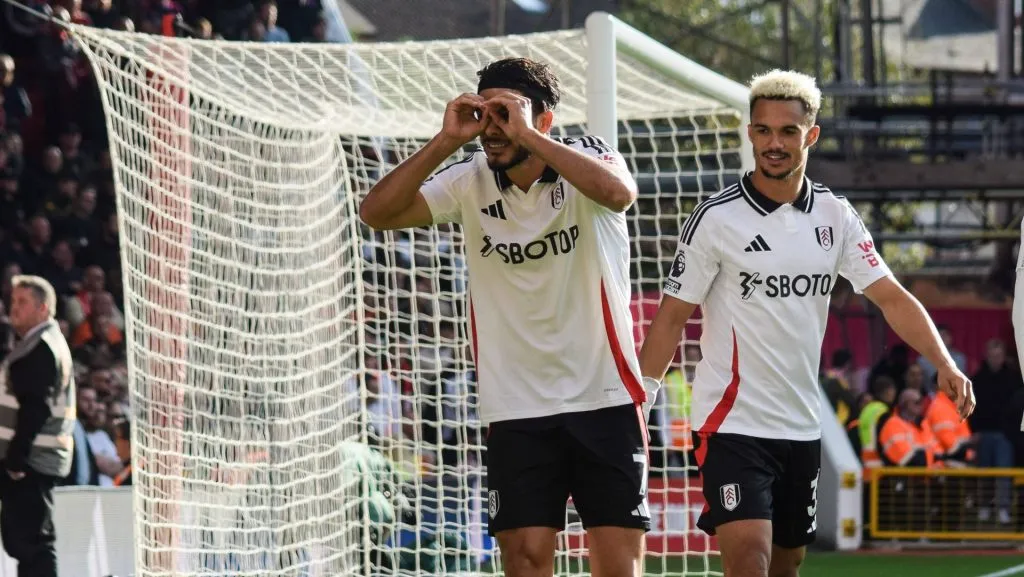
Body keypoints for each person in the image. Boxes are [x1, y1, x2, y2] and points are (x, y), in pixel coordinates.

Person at [636, 69, 975, 577]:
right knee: (749, 558)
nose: (774, 143)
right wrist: (640, 402)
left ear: (810, 135)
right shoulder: (716, 218)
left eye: (787, 131)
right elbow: (671, 318)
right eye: (763, 130)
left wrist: (944, 363)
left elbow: (891, 297)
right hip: (731, 424)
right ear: (750, 133)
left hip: (800, 425)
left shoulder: (836, 216)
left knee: (786, 566)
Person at [359, 57, 651, 577]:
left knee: (616, 565)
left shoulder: (589, 156)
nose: (492, 128)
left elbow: (619, 194)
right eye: (484, 113)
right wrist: (447, 140)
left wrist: (529, 137)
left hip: (603, 397)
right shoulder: (469, 178)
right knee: (524, 559)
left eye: (506, 112)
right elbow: (376, 213)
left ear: (545, 119)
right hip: (516, 406)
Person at [0, 275, 76, 577]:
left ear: (43, 308)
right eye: (13, 300)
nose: (14, 307)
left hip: (30, 463)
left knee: (32, 544)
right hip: (34, 460)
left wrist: (16, 459)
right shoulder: (45, 343)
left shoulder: (41, 347)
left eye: (22, 301)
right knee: (26, 541)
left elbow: (35, 408)